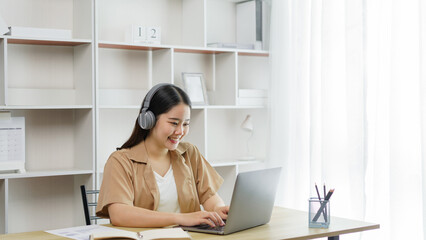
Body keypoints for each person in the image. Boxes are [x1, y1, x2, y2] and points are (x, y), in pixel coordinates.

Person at [96, 83, 229, 228]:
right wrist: (181, 218)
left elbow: (209, 196)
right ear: (149, 120)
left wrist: (217, 209)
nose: (180, 131)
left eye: (185, 124)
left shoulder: (190, 153)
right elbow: (119, 214)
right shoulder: (121, 161)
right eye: (174, 123)